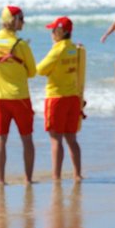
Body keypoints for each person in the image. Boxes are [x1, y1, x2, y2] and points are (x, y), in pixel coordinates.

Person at [0, 6, 37, 185]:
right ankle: (28, 179)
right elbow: (32, 72)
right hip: (20, 97)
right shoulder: (21, 45)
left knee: (0, 139)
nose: (23, 22)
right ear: (13, 20)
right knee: (27, 138)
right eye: (21, 18)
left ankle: (0, 180)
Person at [36, 17, 86, 181]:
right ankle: (77, 174)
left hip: (56, 97)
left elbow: (40, 69)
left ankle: (56, 176)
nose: (51, 33)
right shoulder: (75, 48)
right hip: (73, 98)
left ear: (62, 31)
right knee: (72, 139)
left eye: (53, 30)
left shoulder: (57, 50)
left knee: (55, 139)